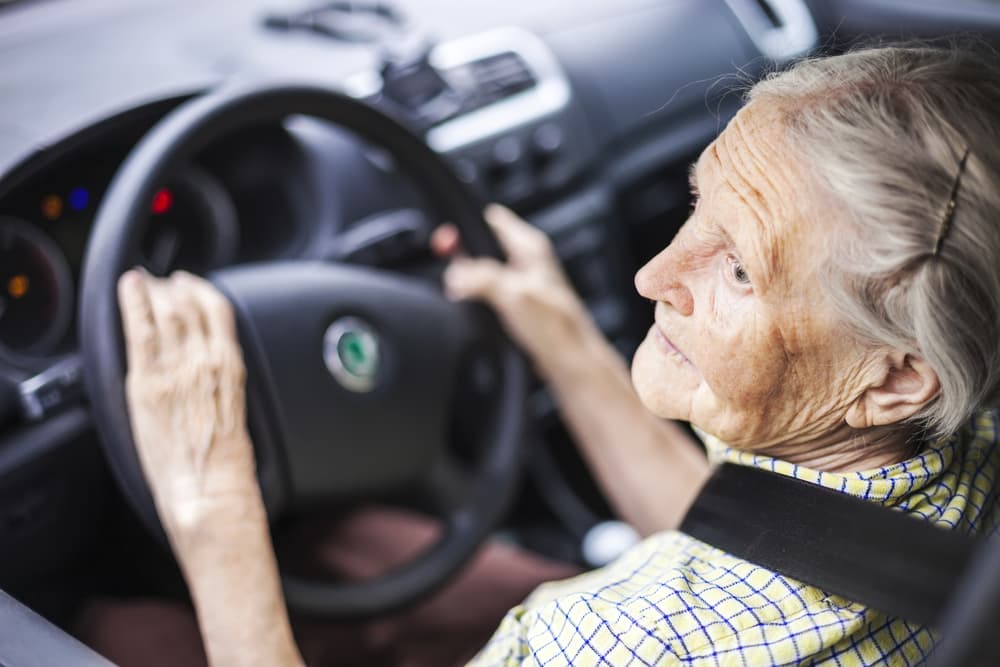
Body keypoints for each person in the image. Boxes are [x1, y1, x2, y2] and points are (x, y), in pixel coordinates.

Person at [91, 44, 1000, 665]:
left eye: (736, 269)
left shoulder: (619, 641)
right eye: (698, 206)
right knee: (353, 542)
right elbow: (748, 525)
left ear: (892, 379)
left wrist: (212, 496)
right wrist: (563, 336)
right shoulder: (961, 430)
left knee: (112, 624)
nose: (651, 275)